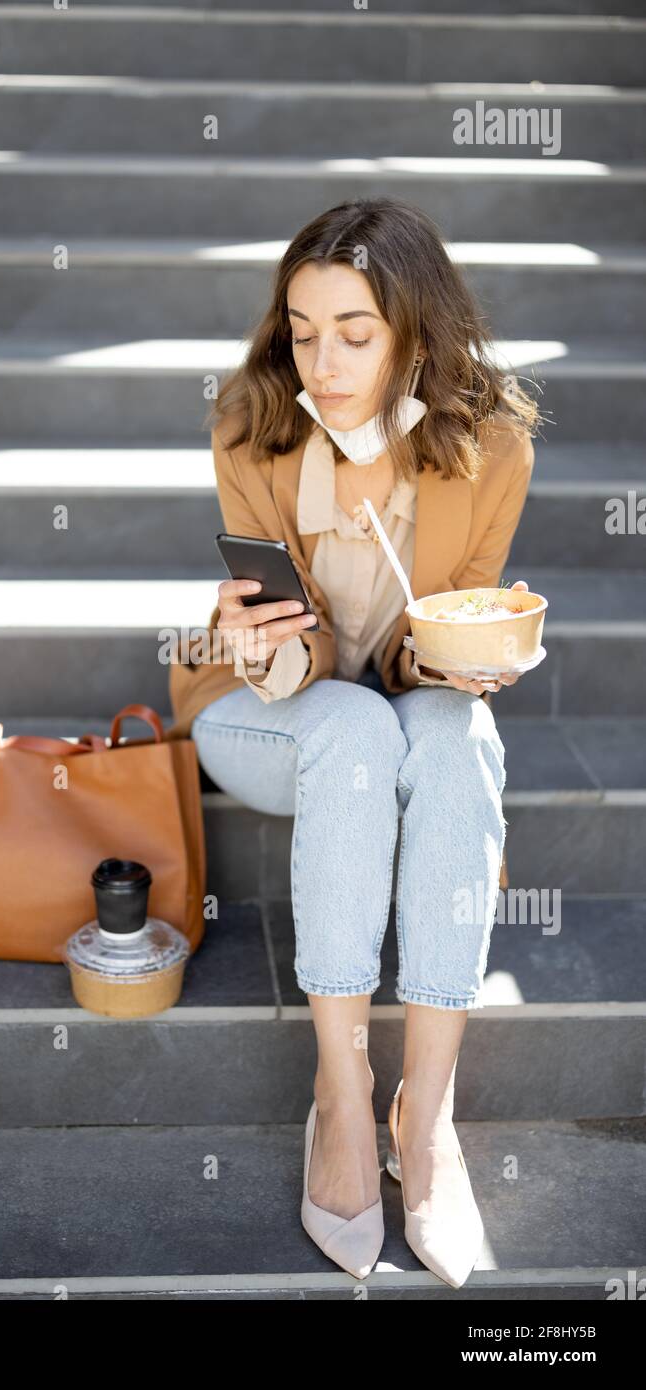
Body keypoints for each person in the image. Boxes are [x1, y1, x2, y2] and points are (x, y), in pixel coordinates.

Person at [166, 197, 540, 1288]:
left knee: (458, 739)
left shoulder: (492, 445)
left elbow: (445, 626)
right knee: (355, 734)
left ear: (415, 334)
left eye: (355, 333)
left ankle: (426, 1115)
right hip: (265, 701)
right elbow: (288, 651)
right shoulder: (251, 422)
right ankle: (341, 1090)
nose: (320, 361)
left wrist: (462, 658)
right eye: (301, 327)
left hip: (399, 694)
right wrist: (249, 634)